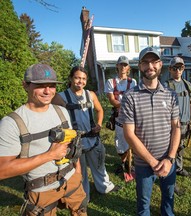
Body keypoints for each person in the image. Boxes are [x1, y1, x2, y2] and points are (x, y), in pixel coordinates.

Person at [0, 64, 87, 215]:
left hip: (72, 180)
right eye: (40, 86)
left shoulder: (62, 112)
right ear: (25, 85)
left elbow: (72, 142)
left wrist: (77, 171)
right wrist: (49, 155)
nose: (48, 91)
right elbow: (2, 170)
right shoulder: (12, 122)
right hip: (41, 191)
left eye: (52, 86)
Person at [120, 47, 181, 215]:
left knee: (168, 201)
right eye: (145, 62)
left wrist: (170, 158)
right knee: (143, 204)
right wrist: (153, 162)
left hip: (168, 160)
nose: (150, 66)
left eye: (154, 62)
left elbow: (176, 127)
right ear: (140, 66)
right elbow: (129, 134)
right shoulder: (130, 96)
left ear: (160, 64)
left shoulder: (171, 95)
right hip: (143, 164)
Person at [52, 66, 120, 201]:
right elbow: (54, 118)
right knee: (79, 171)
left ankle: (104, 187)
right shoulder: (60, 97)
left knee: (99, 165)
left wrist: (99, 124)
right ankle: (83, 195)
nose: (80, 81)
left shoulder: (91, 94)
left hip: (93, 138)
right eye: (77, 78)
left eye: (83, 79)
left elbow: (100, 110)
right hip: (75, 142)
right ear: (70, 78)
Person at [165, 56, 191, 177]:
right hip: (173, 125)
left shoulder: (187, 85)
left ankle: (178, 168)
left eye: (180, 67)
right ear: (170, 69)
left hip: (185, 123)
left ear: (183, 68)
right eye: (174, 68)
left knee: (181, 147)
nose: (177, 70)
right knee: (172, 148)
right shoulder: (166, 86)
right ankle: (170, 170)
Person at [104, 56, 137, 175]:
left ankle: (130, 162)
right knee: (120, 142)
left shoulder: (132, 82)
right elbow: (112, 100)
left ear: (128, 67)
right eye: (121, 64)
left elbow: (135, 99)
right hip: (119, 117)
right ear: (117, 66)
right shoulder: (110, 82)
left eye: (125, 65)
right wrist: (125, 108)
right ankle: (123, 162)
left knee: (132, 140)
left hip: (132, 117)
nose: (123, 67)